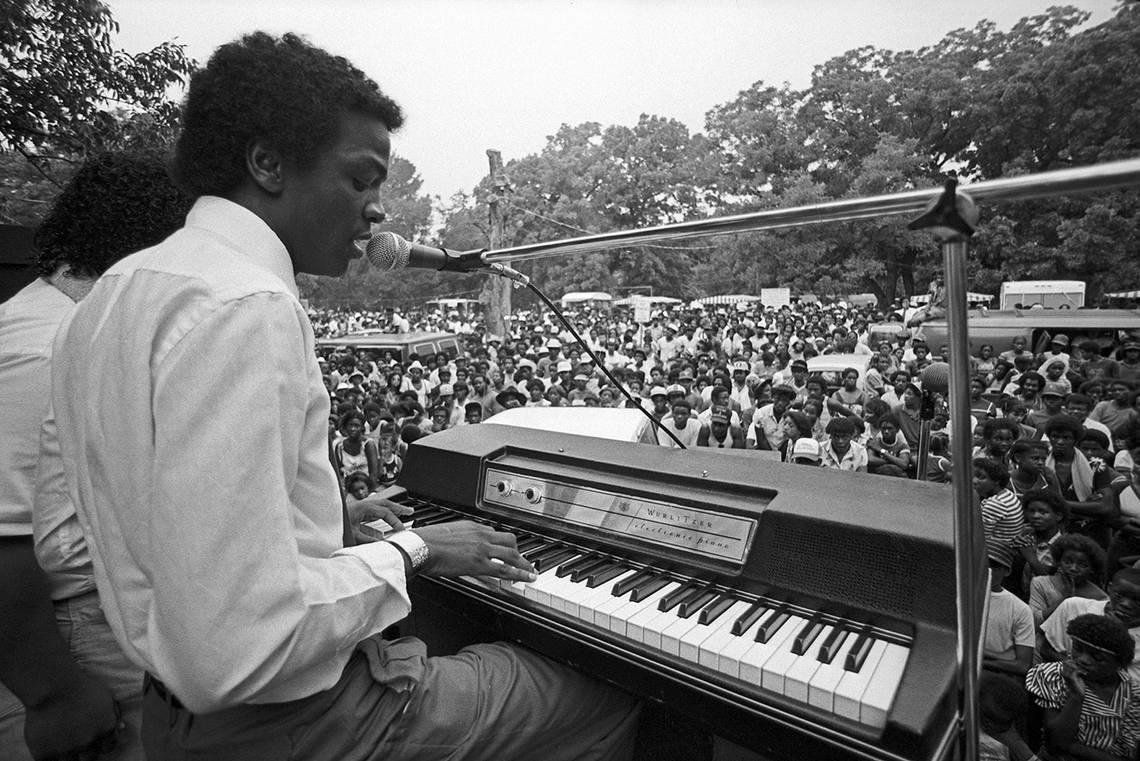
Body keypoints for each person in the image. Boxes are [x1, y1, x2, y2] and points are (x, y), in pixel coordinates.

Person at [48, 33, 639, 761]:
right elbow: (237, 642)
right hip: (301, 723)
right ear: (267, 163)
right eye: (362, 180)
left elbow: (180, 530)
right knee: (607, 696)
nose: (376, 212)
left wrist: (332, 521)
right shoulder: (246, 304)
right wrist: (416, 548)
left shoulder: (111, 296)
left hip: (172, 720)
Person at [0, 152, 192, 761]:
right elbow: (5, 539)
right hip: (76, 640)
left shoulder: (75, 324)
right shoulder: (44, 349)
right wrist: (56, 694)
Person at [1027, 613, 1140, 761]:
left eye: (1098, 658)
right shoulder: (1054, 676)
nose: (1083, 660)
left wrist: (1073, 747)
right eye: (1078, 649)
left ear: (1120, 664)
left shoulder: (1134, 693)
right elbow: (1055, 744)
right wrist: (1076, 696)